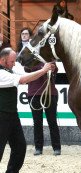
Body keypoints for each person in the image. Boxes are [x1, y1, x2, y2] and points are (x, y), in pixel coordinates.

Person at [0, 47, 55, 173]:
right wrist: (43, 70)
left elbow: (25, 71)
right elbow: (23, 79)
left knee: (20, 146)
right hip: (1, 115)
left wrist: (43, 64)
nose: (14, 63)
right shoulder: (1, 74)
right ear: (3, 60)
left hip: (12, 115)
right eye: (12, 61)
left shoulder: (10, 68)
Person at [16, 28, 62, 156]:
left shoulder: (48, 55)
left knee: (52, 120)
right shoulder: (30, 55)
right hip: (34, 92)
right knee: (37, 122)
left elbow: (55, 69)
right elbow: (26, 69)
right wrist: (42, 67)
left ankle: (56, 147)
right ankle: (38, 147)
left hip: (49, 92)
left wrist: (51, 67)